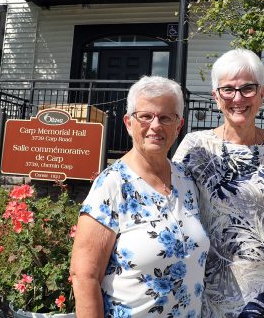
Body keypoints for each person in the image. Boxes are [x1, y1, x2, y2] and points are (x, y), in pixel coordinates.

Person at [70, 76, 210, 318]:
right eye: (145, 116)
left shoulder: (186, 181)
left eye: (165, 117)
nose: (155, 125)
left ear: (179, 126)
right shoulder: (112, 185)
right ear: (128, 123)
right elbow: (84, 276)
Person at [173, 49, 264, 317]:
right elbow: (173, 208)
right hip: (214, 287)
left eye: (248, 88)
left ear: (262, 93)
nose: (238, 98)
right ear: (216, 97)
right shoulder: (196, 147)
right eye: (228, 89)